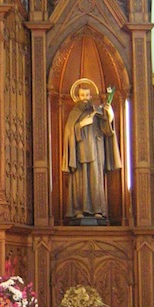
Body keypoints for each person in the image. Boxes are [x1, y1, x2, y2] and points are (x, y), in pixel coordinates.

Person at [61, 78, 122, 221]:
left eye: (87, 95)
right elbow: (69, 132)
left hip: (96, 151)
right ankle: (78, 210)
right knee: (79, 181)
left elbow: (107, 130)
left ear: (91, 96)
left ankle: (98, 210)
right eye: (82, 95)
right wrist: (81, 124)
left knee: (96, 180)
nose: (85, 98)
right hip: (79, 153)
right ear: (78, 96)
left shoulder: (96, 111)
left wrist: (110, 116)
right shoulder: (74, 113)